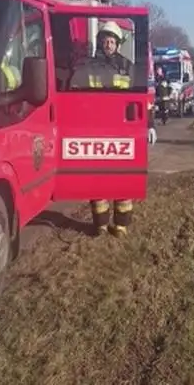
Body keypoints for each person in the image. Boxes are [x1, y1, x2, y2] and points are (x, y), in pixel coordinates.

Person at [72, 21, 136, 237]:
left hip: (122, 132)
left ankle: (120, 226)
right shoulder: (87, 66)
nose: (108, 44)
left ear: (118, 44)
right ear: (100, 43)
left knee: (123, 180)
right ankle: (99, 225)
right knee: (98, 180)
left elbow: (141, 99)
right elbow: (75, 95)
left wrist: (149, 125)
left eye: (112, 41)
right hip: (96, 131)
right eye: (105, 41)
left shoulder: (128, 67)